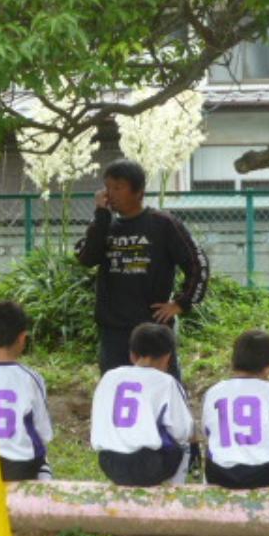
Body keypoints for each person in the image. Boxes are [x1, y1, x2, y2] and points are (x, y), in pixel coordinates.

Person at [75, 158, 209, 379]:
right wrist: (101, 216)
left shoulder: (163, 224)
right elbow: (86, 258)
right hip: (113, 330)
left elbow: (198, 263)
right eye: (108, 187)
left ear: (139, 192)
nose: (110, 194)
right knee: (116, 388)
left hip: (153, 329)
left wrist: (181, 303)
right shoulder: (104, 225)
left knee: (163, 387)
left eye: (118, 188)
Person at [91, 323, 193, 486]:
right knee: (186, 444)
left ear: (132, 355)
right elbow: (182, 431)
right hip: (148, 466)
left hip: (108, 462)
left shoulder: (109, 376)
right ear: (168, 357)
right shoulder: (166, 382)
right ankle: (174, 491)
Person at [201, 329, 269, 489]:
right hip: (264, 474)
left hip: (219, 475)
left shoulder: (214, 391)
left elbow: (207, 433)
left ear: (233, 360)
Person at [0, 301, 54, 482]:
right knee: (43, 459)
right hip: (21, 466)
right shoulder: (31, 377)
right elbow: (44, 431)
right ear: (23, 338)